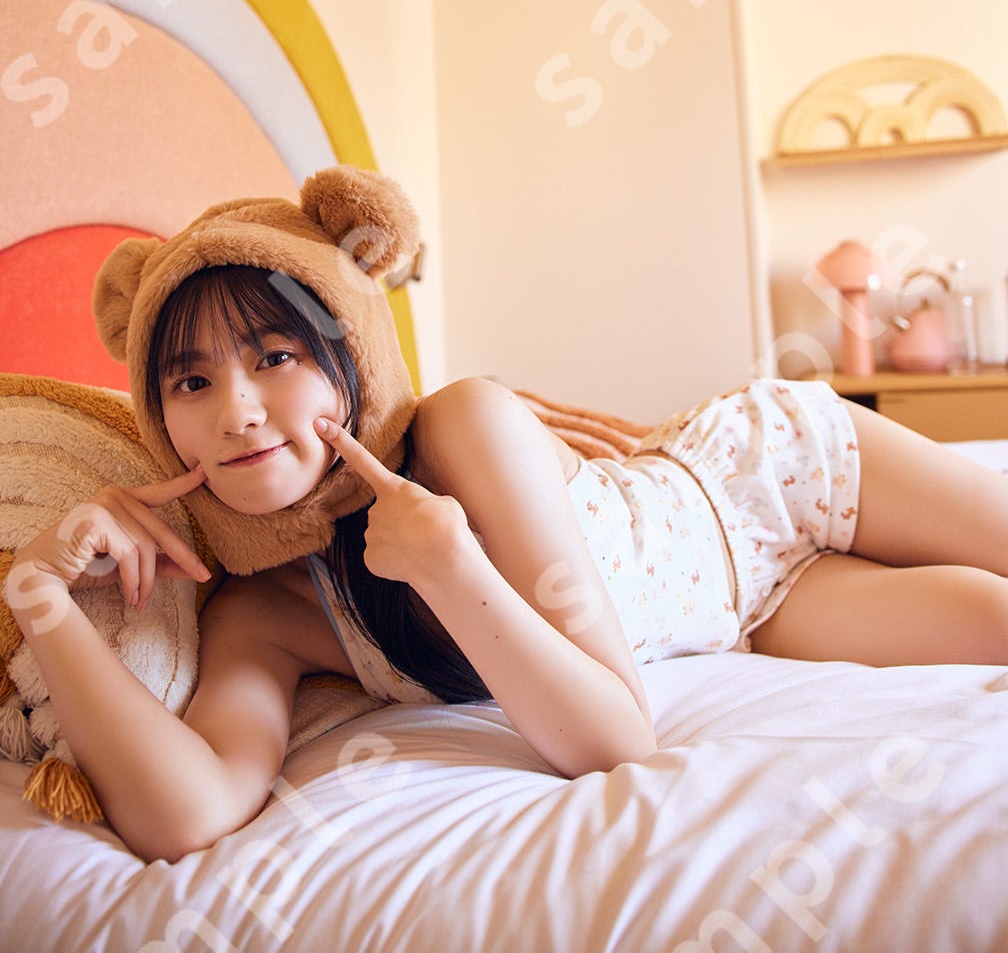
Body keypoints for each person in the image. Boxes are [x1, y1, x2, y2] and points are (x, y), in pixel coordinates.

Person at [7, 166, 1008, 863]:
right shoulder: (260, 608)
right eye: (189, 380)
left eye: (276, 356)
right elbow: (188, 814)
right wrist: (41, 594)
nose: (236, 411)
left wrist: (451, 561)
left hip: (765, 471)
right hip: (752, 611)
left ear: (354, 351)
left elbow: (616, 725)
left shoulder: (462, 426)